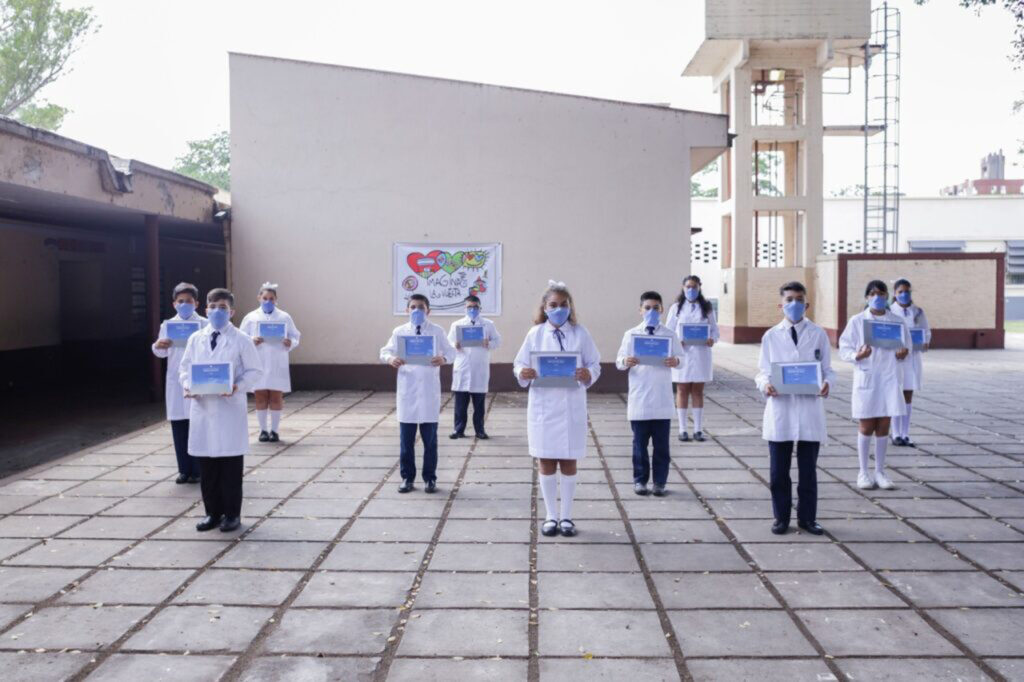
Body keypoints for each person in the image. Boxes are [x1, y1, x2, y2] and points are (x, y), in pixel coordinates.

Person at [513, 280, 601, 538]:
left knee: (569, 460)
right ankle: (551, 515)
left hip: (571, 406)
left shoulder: (580, 333)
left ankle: (567, 516)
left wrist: (588, 373)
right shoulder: (535, 334)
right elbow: (519, 363)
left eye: (563, 304)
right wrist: (523, 372)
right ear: (544, 307)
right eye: (553, 305)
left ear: (570, 306)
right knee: (546, 460)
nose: (559, 309)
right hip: (544, 407)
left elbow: (595, 363)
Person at [179, 288, 263, 533]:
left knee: (230, 466)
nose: (217, 311)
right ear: (206, 310)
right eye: (213, 307)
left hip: (229, 408)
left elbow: (255, 371)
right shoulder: (196, 338)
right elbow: (184, 369)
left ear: (232, 312)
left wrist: (237, 387)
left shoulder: (241, 339)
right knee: (207, 466)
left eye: (223, 308)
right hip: (203, 407)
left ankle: (232, 514)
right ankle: (212, 513)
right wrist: (188, 385)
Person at [755, 282, 835, 535]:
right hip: (781, 407)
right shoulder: (771, 336)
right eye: (789, 299)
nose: (794, 304)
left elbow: (828, 370)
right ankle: (781, 518)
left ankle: (807, 519)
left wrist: (827, 383)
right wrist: (765, 384)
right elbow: (762, 372)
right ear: (780, 305)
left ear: (807, 304)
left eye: (799, 299)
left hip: (809, 408)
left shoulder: (818, 334)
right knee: (779, 471)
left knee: (808, 471)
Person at [380, 294, 456, 494]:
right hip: (408, 392)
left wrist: (444, 359)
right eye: (413, 307)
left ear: (428, 310)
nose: (416, 310)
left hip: (429, 393)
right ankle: (407, 478)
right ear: (407, 310)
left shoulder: (437, 331)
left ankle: (430, 479)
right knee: (406, 442)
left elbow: (452, 352)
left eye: (421, 307)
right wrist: (391, 359)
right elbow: (384, 351)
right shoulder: (399, 332)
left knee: (430, 442)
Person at [838, 279, 910, 491]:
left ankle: (880, 472)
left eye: (881, 293)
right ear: (867, 297)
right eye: (873, 294)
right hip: (867, 377)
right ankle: (863, 472)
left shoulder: (897, 321)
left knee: (884, 425)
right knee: (866, 425)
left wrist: (902, 353)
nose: (877, 297)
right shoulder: (858, 321)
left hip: (889, 378)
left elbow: (906, 347)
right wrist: (857, 355)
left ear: (887, 296)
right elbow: (844, 347)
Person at [616, 291, 682, 496]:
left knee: (662, 447)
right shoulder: (631, 334)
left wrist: (676, 361)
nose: (651, 312)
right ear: (640, 310)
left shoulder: (669, 334)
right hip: (640, 398)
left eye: (655, 308)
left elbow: (682, 359)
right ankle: (640, 480)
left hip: (662, 399)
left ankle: (660, 482)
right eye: (647, 308)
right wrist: (625, 361)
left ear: (662, 310)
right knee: (639, 445)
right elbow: (619, 361)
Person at [152, 282, 208, 484]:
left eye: (189, 301)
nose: (185, 305)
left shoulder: (204, 324)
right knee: (179, 425)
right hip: (176, 381)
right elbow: (161, 352)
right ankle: (183, 470)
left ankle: (198, 469)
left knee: (197, 424)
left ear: (197, 303)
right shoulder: (167, 325)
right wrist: (158, 345)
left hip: (197, 379)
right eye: (181, 301)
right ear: (174, 303)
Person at [240, 282, 301, 443]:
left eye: (271, 298)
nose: (268, 301)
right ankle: (263, 430)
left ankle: (274, 430)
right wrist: (252, 340)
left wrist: (290, 342)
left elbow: (295, 335)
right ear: (259, 298)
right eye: (265, 298)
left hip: (277, 361)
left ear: (276, 299)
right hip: (258, 361)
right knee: (260, 396)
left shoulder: (284, 317)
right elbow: (241, 337)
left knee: (276, 396)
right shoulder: (251, 317)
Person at [665, 275, 719, 442]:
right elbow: (669, 330)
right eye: (688, 287)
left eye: (694, 287)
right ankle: (682, 429)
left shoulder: (707, 307)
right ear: (683, 288)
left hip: (701, 354)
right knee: (682, 390)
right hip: (683, 354)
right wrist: (676, 341)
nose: (691, 290)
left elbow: (715, 330)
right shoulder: (676, 308)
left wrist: (712, 339)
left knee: (697, 391)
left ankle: (698, 429)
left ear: (699, 287)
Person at [447, 294, 501, 440]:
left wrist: (489, 343)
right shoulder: (457, 325)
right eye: (469, 307)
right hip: (462, 368)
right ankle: (458, 430)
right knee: (460, 405)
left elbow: (498, 341)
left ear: (480, 308)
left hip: (479, 369)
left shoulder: (488, 324)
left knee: (479, 406)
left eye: (475, 307)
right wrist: (454, 345)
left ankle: (480, 430)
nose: (472, 309)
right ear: (465, 308)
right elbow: (448, 343)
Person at [889, 278, 929, 447]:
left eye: (907, 291)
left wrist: (925, 342)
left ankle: (905, 433)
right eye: (900, 291)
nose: (904, 294)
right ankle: (895, 433)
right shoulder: (889, 311)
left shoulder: (918, 312)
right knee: (895, 394)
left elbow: (926, 331)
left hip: (912, 359)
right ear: (894, 293)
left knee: (908, 395)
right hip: (895, 358)